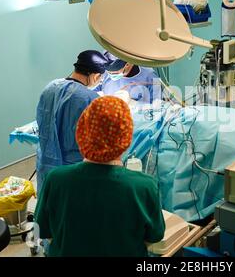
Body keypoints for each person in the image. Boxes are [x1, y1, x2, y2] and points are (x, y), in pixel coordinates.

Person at [34, 96, 165, 257]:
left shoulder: (56, 179)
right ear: (126, 138)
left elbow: (43, 229)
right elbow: (154, 236)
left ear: (81, 132)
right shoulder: (144, 186)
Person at [36, 50, 107, 193]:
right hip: (74, 167)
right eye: (100, 79)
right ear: (95, 76)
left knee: (50, 201)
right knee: (71, 205)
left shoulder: (51, 86)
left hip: (46, 161)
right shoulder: (90, 98)